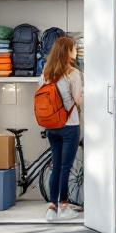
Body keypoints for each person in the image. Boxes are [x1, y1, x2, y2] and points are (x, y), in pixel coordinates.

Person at [41, 35, 83, 222]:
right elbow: (78, 100)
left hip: (52, 126)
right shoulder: (73, 74)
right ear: (67, 51)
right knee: (66, 167)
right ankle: (64, 206)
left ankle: (52, 207)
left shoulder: (46, 72)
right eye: (74, 48)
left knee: (56, 166)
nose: (76, 51)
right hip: (69, 126)